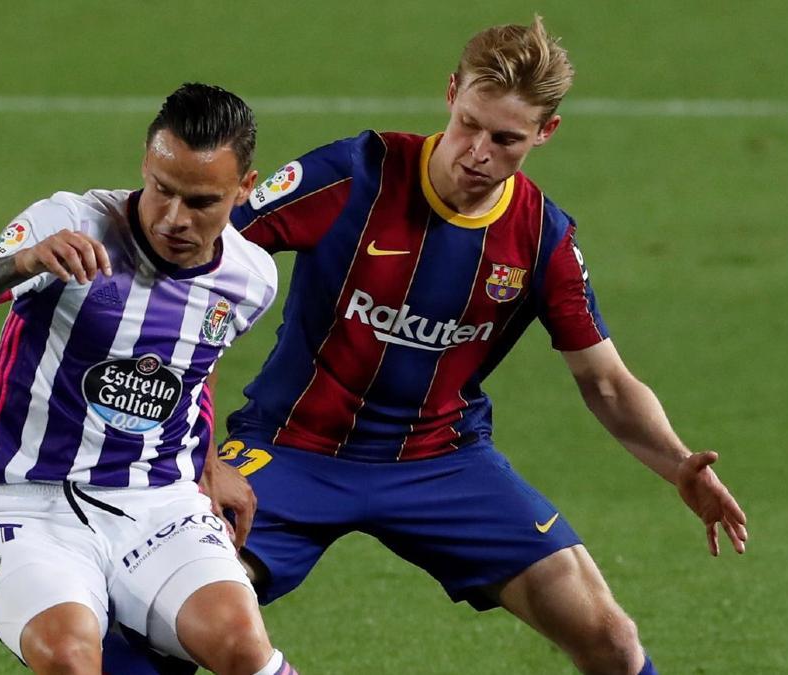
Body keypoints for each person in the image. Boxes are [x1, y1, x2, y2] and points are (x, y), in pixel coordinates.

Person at [201, 17, 749, 674]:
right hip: (291, 449)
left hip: (443, 463)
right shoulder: (352, 175)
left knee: (613, 640)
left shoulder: (542, 238)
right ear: (451, 92)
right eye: (469, 123)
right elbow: (196, 262)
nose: (478, 150)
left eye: (506, 138)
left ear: (545, 133)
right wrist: (199, 451)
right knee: (177, 610)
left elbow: (605, 380)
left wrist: (678, 462)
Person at [0, 83, 299, 675]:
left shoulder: (251, 278)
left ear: (244, 190)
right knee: (72, 657)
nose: (174, 218)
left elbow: (195, 362)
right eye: (162, 190)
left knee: (242, 648)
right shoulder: (68, 222)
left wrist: (208, 467)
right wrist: (22, 262)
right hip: (33, 503)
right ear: (147, 164)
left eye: (200, 203)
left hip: (160, 504)